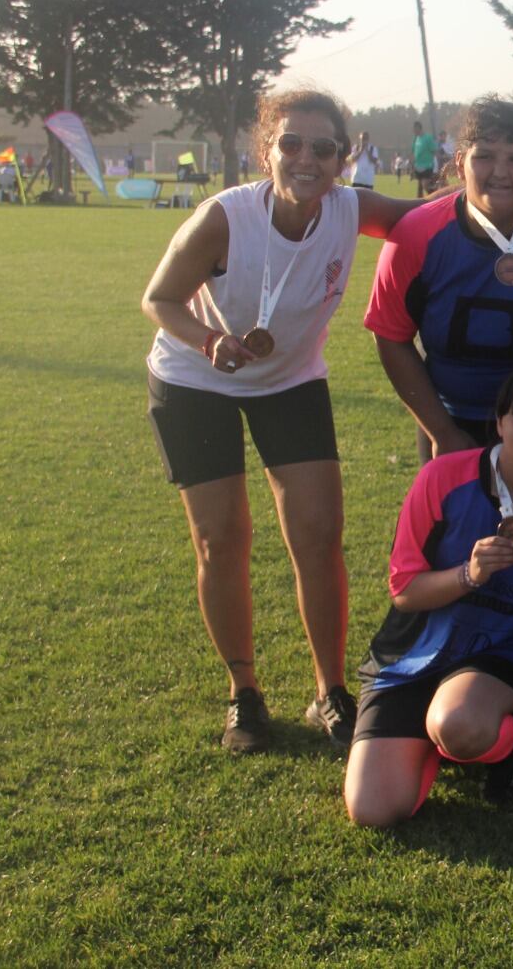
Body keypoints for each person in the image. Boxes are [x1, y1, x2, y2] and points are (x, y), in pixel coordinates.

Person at [141, 86, 426, 754]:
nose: (306, 159)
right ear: (265, 150)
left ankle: (330, 690)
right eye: (290, 144)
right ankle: (244, 693)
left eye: (323, 148)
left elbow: (434, 216)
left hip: (290, 382)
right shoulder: (224, 217)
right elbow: (159, 298)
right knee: (222, 538)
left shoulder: (349, 208)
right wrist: (210, 341)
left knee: (320, 534)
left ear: (344, 156)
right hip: (195, 381)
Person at [344, 359, 513, 825]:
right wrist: (468, 574)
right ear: (499, 421)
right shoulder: (441, 479)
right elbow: (404, 590)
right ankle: (433, 733)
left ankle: (499, 742)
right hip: (410, 655)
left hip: (497, 656)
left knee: (458, 725)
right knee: (371, 810)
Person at [365, 96, 513, 476]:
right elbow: (391, 336)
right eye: (484, 155)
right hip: (451, 414)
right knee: (451, 530)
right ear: (460, 163)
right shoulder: (418, 234)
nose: (501, 172)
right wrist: (442, 431)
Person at [412, 120, 439, 197]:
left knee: (425, 185)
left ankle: (435, 197)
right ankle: (418, 204)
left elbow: (434, 151)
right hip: (418, 166)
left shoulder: (428, 138)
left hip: (427, 165)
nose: (413, 131)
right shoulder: (415, 139)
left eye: (414, 129)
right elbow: (414, 152)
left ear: (418, 128)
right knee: (420, 187)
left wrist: (437, 165)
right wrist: (413, 164)